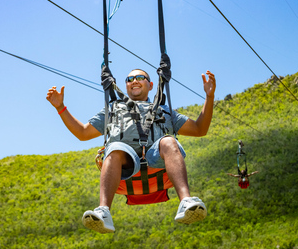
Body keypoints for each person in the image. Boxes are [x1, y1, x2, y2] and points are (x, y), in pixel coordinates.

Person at [46, 69, 216, 233]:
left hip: (157, 162)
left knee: (169, 141)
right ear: (126, 86)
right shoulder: (112, 109)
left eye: (139, 77)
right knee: (114, 148)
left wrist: (209, 97)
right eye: (129, 79)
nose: (134, 81)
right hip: (125, 165)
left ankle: (186, 201)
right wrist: (60, 107)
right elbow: (83, 132)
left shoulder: (164, 110)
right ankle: (103, 211)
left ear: (150, 85)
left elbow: (200, 129)